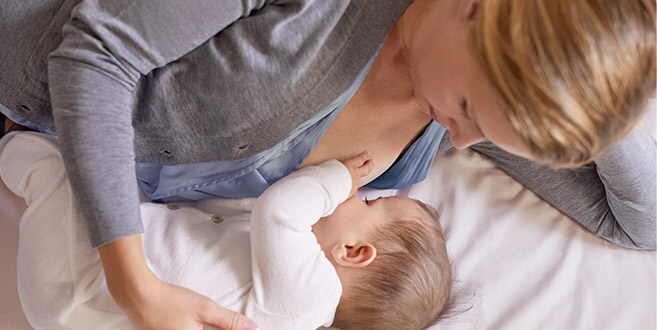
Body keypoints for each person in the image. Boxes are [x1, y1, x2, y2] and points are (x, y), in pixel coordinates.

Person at [0, 0, 654, 328]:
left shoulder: (453, 122)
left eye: (486, 132)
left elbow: (637, 224)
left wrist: (594, 79)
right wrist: (132, 282)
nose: (460, 136)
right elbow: (94, 55)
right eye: (468, 108)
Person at [0, 131, 452, 330]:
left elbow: (278, 211)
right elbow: (228, 212)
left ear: (353, 252)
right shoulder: (287, 295)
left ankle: (10, 139)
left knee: (52, 166)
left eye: (370, 201)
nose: (361, 191)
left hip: (84, 283)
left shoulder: (313, 296)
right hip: (97, 293)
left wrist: (337, 180)